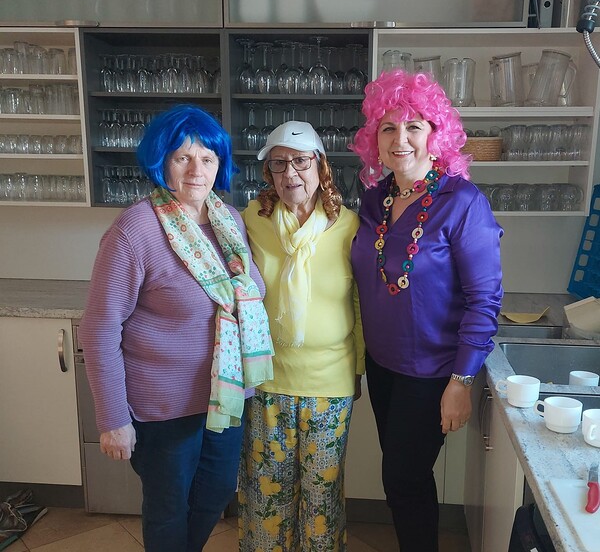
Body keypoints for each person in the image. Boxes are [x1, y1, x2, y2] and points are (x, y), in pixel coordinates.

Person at [78, 105, 274, 552]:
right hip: (164, 407)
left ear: (220, 164)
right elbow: (100, 328)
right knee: (169, 509)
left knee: (216, 492)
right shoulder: (136, 230)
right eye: (182, 157)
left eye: (207, 158)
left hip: (226, 395)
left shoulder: (229, 221)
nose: (196, 170)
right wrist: (113, 418)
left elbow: (248, 293)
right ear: (161, 161)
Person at [350, 70, 503, 552]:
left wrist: (461, 382)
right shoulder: (374, 201)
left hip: (432, 372)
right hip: (383, 367)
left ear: (437, 135)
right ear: (374, 139)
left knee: (404, 478)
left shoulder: (463, 202)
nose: (401, 139)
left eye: (414, 126)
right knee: (404, 479)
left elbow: (485, 299)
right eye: (388, 127)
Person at [238, 120, 365, 552]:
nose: (290, 173)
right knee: (267, 494)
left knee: (321, 497)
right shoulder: (251, 221)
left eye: (300, 161)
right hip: (267, 380)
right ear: (268, 173)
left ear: (320, 166)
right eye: (278, 164)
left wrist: (358, 368)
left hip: (330, 383)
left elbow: (359, 304)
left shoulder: (349, 226)